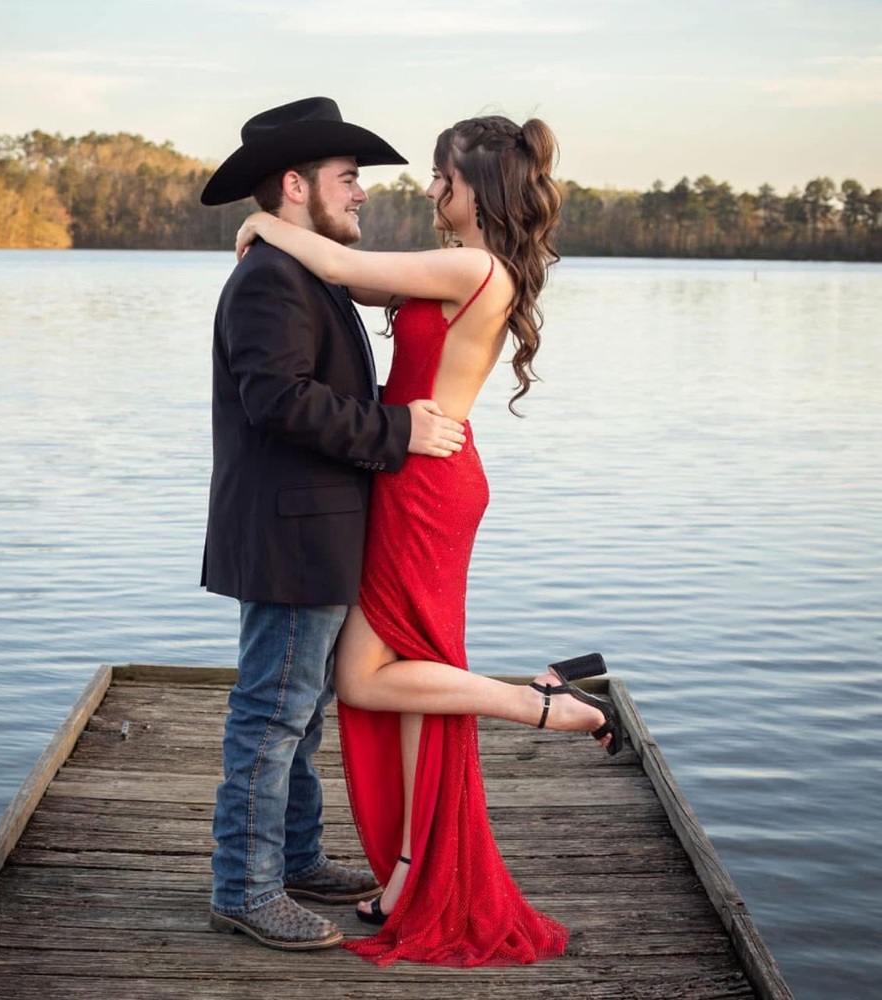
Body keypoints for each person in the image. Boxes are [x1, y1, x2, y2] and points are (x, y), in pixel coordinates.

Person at [233, 112, 625, 967]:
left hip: (423, 481)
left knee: (365, 680)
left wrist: (263, 220)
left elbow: (338, 263)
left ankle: (542, 704)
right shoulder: (459, 268)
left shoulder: (472, 265)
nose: (426, 187)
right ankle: (411, 872)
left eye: (440, 175)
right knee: (408, 671)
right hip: (415, 473)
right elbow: (348, 284)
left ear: (473, 188)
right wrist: (286, 229)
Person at [198, 96, 468, 953]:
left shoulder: (301, 269)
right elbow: (277, 401)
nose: (360, 194)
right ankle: (245, 888)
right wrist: (402, 431)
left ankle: (301, 856)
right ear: (294, 185)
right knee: (271, 716)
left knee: (301, 712)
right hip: (290, 536)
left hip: (312, 532)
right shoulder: (273, 280)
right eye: (348, 179)